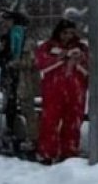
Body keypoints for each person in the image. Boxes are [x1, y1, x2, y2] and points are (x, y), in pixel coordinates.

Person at [34, 19, 89, 164]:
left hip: (75, 91)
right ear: (58, 32)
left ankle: (69, 152)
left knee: (73, 123)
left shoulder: (82, 48)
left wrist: (79, 60)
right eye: (65, 33)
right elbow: (40, 63)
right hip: (54, 90)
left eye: (71, 33)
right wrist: (60, 58)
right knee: (49, 122)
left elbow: (90, 66)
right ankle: (47, 152)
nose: (68, 36)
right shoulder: (48, 46)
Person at [0, 9, 39, 154]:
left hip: (23, 78)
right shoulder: (6, 38)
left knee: (27, 108)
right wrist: (6, 61)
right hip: (10, 77)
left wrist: (18, 63)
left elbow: (33, 60)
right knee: (10, 108)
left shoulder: (27, 38)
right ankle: (14, 134)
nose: (4, 24)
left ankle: (33, 138)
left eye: (7, 20)